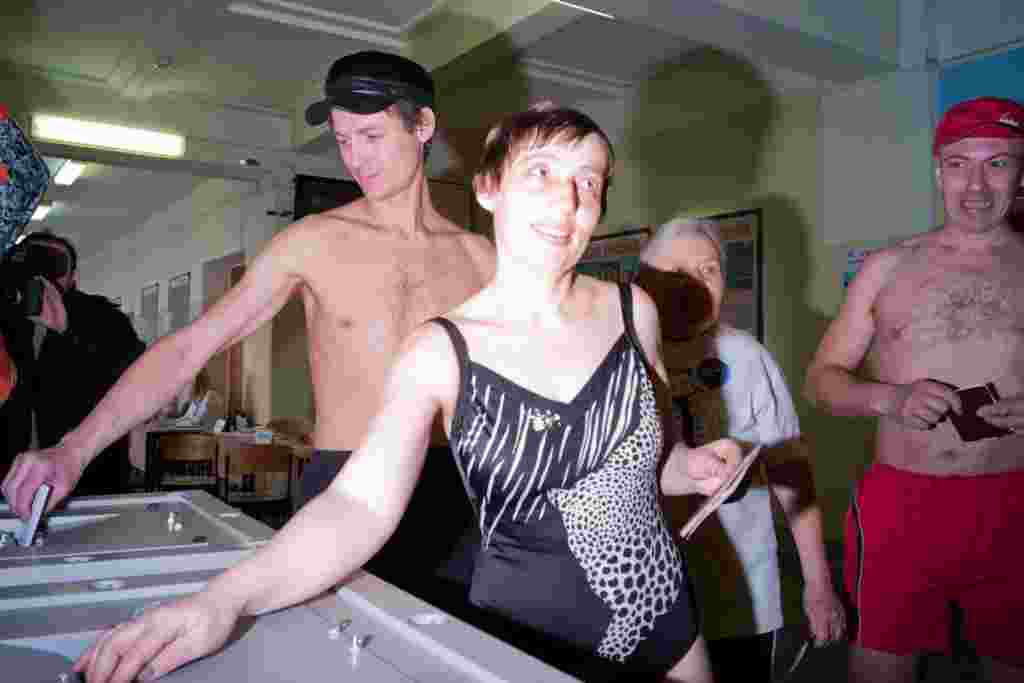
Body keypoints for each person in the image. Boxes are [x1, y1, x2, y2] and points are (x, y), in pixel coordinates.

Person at [73, 103, 745, 683]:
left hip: (668, 621)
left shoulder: (635, 311)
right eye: (540, 173)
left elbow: (646, 464)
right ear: (489, 188)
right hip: (523, 642)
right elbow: (358, 504)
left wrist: (693, 466)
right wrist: (224, 600)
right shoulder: (441, 350)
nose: (567, 202)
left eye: (587, 181)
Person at [1, 51, 495, 596]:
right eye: (343, 138)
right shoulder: (314, 241)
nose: (354, 157)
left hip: (455, 489)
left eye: (371, 136)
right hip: (345, 485)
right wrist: (74, 448)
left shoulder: (479, 258)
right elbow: (190, 348)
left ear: (422, 125)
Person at [804, 96, 1024, 683]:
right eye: (958, 164)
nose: (976, 185)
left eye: (998, 163)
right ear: (937, 171)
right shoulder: (887, 269)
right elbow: (821, 380)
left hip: (1015, 505)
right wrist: (890, 399)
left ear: (1021, 170)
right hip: (904, 506)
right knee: (881, 664)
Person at [636, 218, 845, 681]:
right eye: (675, 270)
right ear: (642, 280)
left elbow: (790, 470)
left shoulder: (746, 357)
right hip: (644, 599)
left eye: (708, 269)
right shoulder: (620, 357)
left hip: (741, 599)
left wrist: (818, 582)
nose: (692, 283)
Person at [1, 231, 146, 495]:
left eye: (53, 265)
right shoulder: (6, 315)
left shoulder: (104, 320)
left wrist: (68, 334)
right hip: (10, 477)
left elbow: (134, 387)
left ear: (72, 277)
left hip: (89, 478)